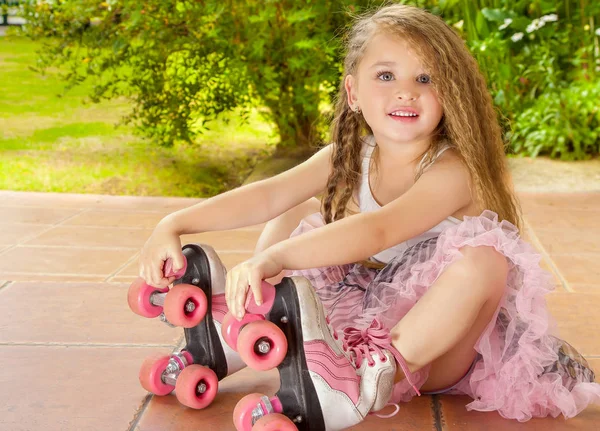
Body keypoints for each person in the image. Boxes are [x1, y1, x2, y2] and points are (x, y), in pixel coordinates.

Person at [138, 4, 600, 424]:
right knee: (297, 210)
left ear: (450, 95)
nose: (406, 93)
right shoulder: (351, 153)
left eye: (425, 79)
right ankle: (248, 330)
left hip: (427, 349)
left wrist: (274, 259)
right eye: (385, 76)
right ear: (353, 92)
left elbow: (379, 229)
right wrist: (173, 224)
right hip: (362, 311)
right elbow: (266, 196)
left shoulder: (454, 169)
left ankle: (358, 383)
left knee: (485, 260)